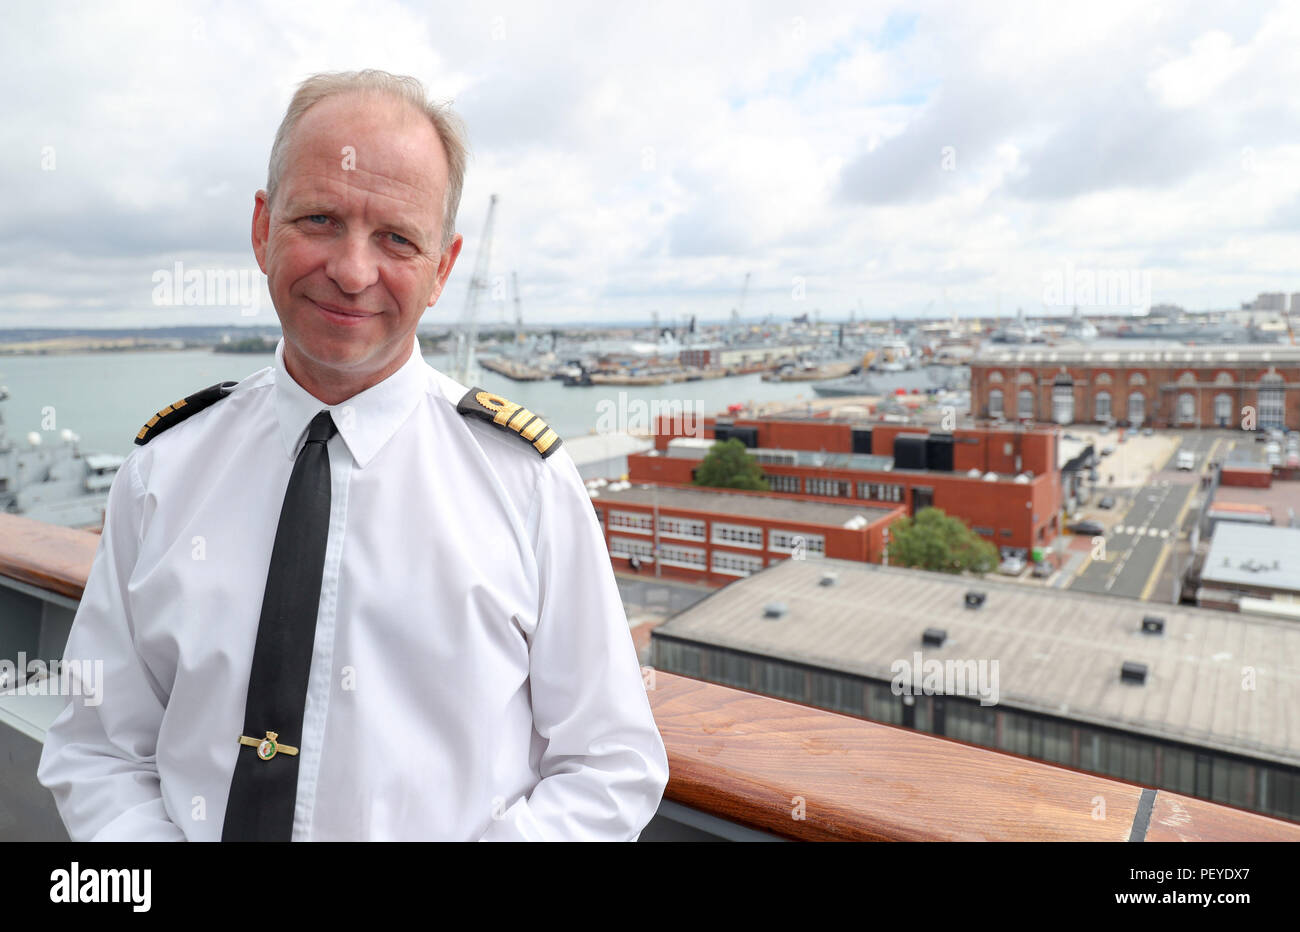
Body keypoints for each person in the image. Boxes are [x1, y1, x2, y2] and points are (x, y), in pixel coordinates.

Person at [36, 69, 669, 841]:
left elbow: (609, 762)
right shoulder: (162, 473)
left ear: (442, 269)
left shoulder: (526, 483)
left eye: (397, 238)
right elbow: (100, 748)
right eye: (320, 219)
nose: (352, 271)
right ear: (263, 228)